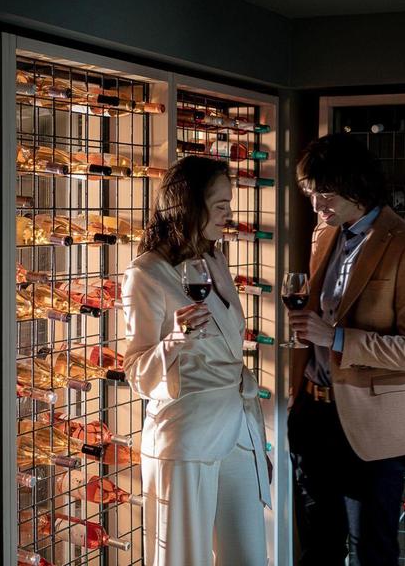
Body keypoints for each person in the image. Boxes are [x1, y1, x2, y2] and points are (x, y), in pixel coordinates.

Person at [286, 133, 405, 565]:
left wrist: (334, 337)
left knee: (371, 553)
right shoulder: (325, 235)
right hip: (313, 418)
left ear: (358, 186)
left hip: (373, 431)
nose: (318, 208)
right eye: (311, 196)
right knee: (317, 548)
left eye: (327, 196)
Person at [122, 156, 270, 566]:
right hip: (186, 436)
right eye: (220, 204)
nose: (229, 214)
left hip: (238, 430)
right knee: (183, 559)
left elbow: (229, 339)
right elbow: (135, 369)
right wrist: (173, 339)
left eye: (229, 204)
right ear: (189, 205)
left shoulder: (214, 263)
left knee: (251, 556)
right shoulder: (146, 274)